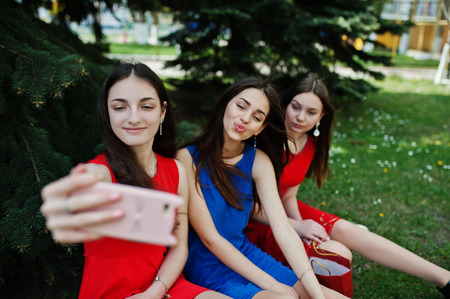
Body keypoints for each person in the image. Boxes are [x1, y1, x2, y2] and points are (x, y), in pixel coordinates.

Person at [244, 76, 450, 297]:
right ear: (285, 103)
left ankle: (444, 278)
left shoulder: (310, 144)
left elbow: (288, 196)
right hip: (252, 220)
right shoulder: (262, 138)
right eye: (295, 107)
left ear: (322, 116)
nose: (300, 117)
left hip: (283, 210)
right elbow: (245, 203)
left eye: (311, 112)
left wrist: (304, 225)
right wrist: (297, 226)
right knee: (336, 253)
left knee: (345, 229)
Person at [40, 62, 232, 299]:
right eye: (120, 107)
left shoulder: (176, 171)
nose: (133, 118)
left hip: (163, 286)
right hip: (111, 291)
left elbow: (179, 247)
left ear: (162, 112)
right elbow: (91, 181)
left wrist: (155, 291)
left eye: (146, 106)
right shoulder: (100, 170)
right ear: (107, 112)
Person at [177, 77, 348, 299]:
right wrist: (272, 285)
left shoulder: (258, 161)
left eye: (257, 117)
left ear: (261, 127)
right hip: (208, 266)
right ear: (226, 104)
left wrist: (317, 294)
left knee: (328, 296)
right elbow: (210, 238)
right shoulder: (187, 158)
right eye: (241, 106)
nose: (245, 119)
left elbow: (284, 230)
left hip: (246, 254)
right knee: (284, 297)